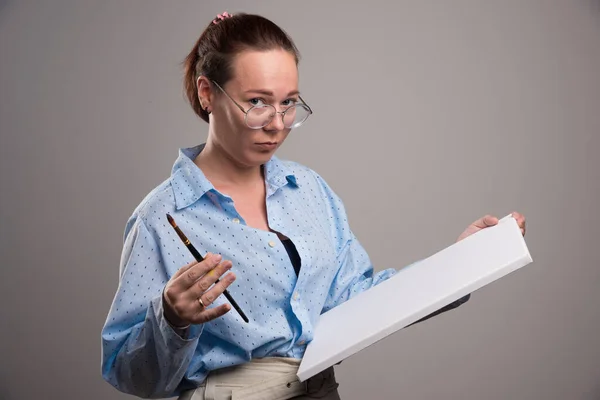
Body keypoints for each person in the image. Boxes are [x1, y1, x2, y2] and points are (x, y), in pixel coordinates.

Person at [100, 11, 527, 400]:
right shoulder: (163, 217)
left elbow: (358, 298)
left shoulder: (309, 190)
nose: (277, 123)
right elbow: (128, 373)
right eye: (257, 102)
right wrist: (171, 319)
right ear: (207, 93)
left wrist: (461, 262)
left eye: (288, 103)